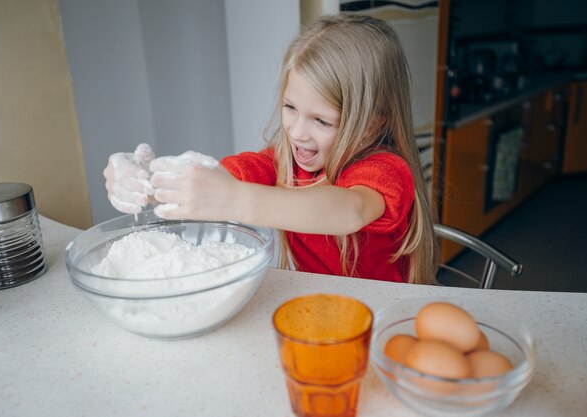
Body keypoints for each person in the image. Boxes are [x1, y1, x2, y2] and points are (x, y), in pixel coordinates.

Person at [104, 14, 438, 284]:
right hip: (317, 307)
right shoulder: (283, 162)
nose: (296, 132)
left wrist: (237, 199)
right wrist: (144, 182)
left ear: (372, 124)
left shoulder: (386, 171)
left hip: (376, 316)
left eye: (322, 121)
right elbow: (212, 180)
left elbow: (349, 210)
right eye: (290, 108)